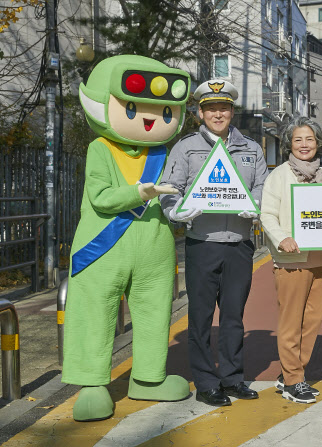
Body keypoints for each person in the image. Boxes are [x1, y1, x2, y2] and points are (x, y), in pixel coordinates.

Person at [63, 55, 191, 421]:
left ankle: (148, 378)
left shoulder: (163, 152)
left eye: (167, 113)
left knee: (154, 312)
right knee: (94, 312)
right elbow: (101, 198)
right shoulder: (100, 149)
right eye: (133, 108)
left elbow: (176, 193)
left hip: (155, 247)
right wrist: (140, 193)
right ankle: (91, 383)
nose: (152, 119)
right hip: (102, 247)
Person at [159, 79, 268, 406]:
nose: (217, 114)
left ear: (232, 111)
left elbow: (262, 186)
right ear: (199, 112)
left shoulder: (251, 148)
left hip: (239, 245)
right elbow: (168, 187)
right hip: (202, 244)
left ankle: (233, 379)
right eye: (210, 108)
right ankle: (207, 383)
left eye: (223, 107)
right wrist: (177, 212)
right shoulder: (185, 147)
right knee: (201, 317)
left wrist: (256, 207)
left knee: (234, 317)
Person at [260, 116, 322, 404]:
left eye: (310, 139)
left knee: (312, 321)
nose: (304, 145)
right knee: (291, 322)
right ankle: (293, 381)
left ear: (318, 144)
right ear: (289, 143)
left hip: (321, 259)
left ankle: (291, 372)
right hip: (290, 259)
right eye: (298, 139)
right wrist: (282, 238)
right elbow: (266, 214)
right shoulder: (279, 175)